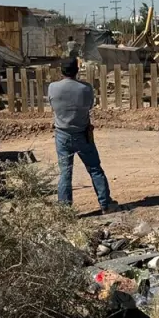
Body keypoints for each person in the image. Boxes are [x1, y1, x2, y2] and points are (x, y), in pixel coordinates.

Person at [48, 58, 121, 213]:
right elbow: (89, 106)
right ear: (77, 70)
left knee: (65, 173)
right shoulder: (85, 88)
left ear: (61, 70)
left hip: (62, 134)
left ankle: (65, 210)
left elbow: (53, 106)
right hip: (82, 134)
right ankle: (105, 204)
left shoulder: (53, 87)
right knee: (94, 168)